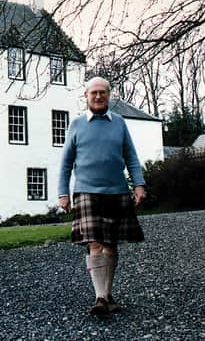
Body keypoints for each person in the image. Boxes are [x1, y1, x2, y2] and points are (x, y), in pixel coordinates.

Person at [58, 76, 146, 315]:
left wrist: (139, 184)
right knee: (95, 244)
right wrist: (62, 193)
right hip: (87, 192)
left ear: (109, 95)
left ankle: (107, 296)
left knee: (111, 245)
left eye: (102, 92)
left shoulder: (119, 123)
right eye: (93, 92)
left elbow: (131, 156)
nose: (98, 96)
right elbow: (66, 163)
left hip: (116, 192)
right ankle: (99, 297)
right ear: (86, 96)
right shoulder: (76, 124)